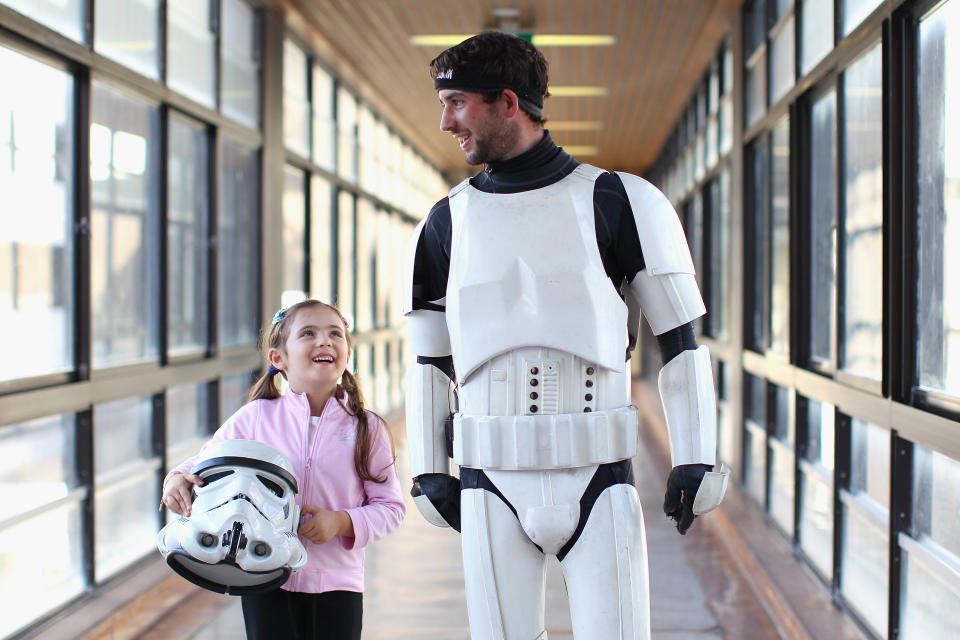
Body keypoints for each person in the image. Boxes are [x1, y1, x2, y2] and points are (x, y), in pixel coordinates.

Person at [402, 32, 727, 640]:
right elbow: (429, 359)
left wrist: (696, 455)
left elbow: (682, 345)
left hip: (598, 477)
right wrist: (428, 466)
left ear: (506, 102)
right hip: (488, 480)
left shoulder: (621, 201)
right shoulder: (446, 221)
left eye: (457, 102)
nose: (446, 121)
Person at [161, 299, 406, 640]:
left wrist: (341, 522)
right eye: (309, 333)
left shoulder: (368, 428)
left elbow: (391, 508)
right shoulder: (256, 417)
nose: (325, 341)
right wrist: (176, 477)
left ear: (347, 354)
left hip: (338, 584)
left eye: (335, 334)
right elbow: (204, 462)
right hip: (261, 575)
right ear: (279, 359)